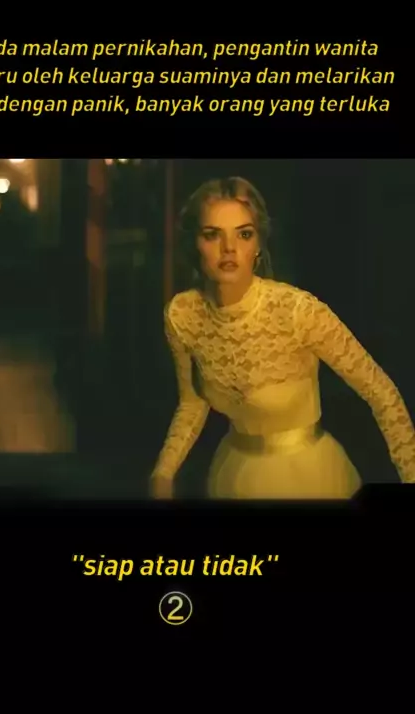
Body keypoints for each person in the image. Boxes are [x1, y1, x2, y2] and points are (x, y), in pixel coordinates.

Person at [150, 177, 415, 499]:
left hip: (307, 477)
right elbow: (192, 403)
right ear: (195, 243)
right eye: (212, 234)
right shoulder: (182, 314)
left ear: (258, 245)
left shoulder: (297, 311)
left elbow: (381, 392)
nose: (229, 248)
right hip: (233, 474)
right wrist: (163, 473)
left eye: (244, 234)